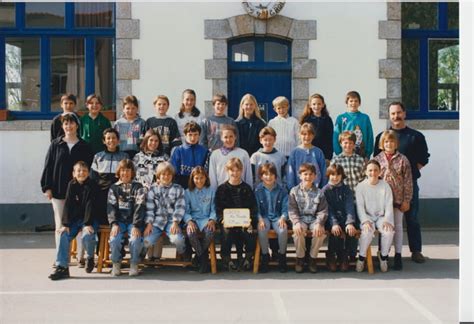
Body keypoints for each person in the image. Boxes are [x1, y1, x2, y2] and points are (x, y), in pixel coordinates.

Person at [373, 101, 430, 264]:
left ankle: (416, 250)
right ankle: (382, 251)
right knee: (385, 220)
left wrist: (409, 173)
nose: (396, 116)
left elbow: (424, 158)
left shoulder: (416, 136)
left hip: (409, 184)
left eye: (398, 113)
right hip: (385, 188)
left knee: (412, 218)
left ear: (404, 114)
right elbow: (377, 161)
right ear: (389, 116)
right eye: (392, 114)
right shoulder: (382, 136)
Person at [41, 114, 93, 255]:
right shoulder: (56, 145)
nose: (68, 126)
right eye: (66, 124)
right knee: (61, 225)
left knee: (79, 224)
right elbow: (48, 166)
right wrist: (47, 187)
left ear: (77, 126)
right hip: (58, 190)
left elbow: (88, 170)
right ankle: (62, 258)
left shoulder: (84, 146)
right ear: (62, 126)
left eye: (71, 123)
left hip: (79, 192)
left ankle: (81, 256)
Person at [48, 162, 100, 280]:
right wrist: (65, 224)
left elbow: (90, 205)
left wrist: (87, 224)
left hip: (90, 219)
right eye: (79, 171)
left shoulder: (92, 185)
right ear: (74, 173)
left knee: (87, 235)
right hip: (75, 220)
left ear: (88, 173)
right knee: (63, 234)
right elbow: (68, 204)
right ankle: (62, 267)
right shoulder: (72, 184)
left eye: (85, 171)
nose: (82, 173)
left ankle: (90, 257)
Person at [374, 130, 413, 270]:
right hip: (381, 200)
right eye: (386, 142)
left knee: (397, 226)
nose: (389, 144)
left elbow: (408, 182)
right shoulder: (377, 159)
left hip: (398, 199)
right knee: (384, 226)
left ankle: (398, 255)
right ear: (381, 144)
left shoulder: (403, 159)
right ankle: (382, 253)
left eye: (391, 141)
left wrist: (406, 200)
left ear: (396, 143)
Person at [216, 158, 258, 271]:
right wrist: (222, 219)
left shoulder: (247, 188)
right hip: (228, 222)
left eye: (238, 170)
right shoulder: (222, 189)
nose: (235, 173)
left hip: (244, 221)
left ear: (242, 171)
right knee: (226, 231)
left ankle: (248, 258)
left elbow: (253, 207)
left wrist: (250, 221)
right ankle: (226, 259)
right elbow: (218, 208)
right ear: (227, 171)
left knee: (249, 231)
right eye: (232, 170)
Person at [107, 159, 146, 277]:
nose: (125, 173)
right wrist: (114, 224)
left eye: (128, 170)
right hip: (119, 222)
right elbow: (111, 207)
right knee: (114, 239)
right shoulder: (113, 188)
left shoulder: (139, 187)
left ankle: (134, 264)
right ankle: (116, 263)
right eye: (123, 170)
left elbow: (140, 206)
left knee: (135, 239)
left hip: (133, 222)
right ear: (119, 172)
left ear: (132, 172)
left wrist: (136, 225)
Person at [355, 160, 394, 273]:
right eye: (370, 170)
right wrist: (365, 221)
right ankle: (361, 258)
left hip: (381, 217)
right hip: (367, 217)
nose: (373, 173)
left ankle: (383, 257)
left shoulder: (385, 186)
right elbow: (360, 207)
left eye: (375, 170)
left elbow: (388, 204)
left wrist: (387, 220)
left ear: (380, 171)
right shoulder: (360, 186)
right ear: (366, 172)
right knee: (367, 232)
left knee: (388, 232)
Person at [288, 163, 328, 273]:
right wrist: (296, 222)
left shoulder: (319, 192)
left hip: (314, 219)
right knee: (298, 232)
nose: (308, 177)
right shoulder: (294, 191)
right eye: (305, 174)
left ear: (315, 176)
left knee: (320, 233)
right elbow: (292, 209)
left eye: (311, 174)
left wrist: (319, 223)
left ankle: (312, 258)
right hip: (300, 219)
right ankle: (300, 258)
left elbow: (323, 210)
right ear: (300, 175)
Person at [144, 162, 186, 263]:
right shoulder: (153, 189)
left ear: (172, 175)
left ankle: (183, 252)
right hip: (156, 222)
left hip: (172, 221)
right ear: (158, 175)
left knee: (178, 240)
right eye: (163, 174)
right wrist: (149, 224)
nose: (166, 177)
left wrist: (176, 222)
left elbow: (180, 207)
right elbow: (149, 208)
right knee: (146, 242)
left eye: (169, 174)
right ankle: (141, 256)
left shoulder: (178, 189)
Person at [321, 164, 357, 272]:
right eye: (332, 174)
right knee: (336, 231)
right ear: (328, 175)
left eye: (338, 174)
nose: (335, 177)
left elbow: (349, 206)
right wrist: (334, 223)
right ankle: (331, 254)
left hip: (344, 218)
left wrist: (350, 222)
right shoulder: (325, 191)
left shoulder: (346, 189)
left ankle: (344, 255)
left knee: (350, 230)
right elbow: (328, 209)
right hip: (330, 220)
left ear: (342, 176)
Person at [90, 128, 129, 225]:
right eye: (108, 138)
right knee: (102, 219)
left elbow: (128, 176)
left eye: (114, 138)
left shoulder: (124, 157)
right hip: (102, 193)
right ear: (104, 141)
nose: (111, 141)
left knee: (118, 219)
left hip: (119, 192)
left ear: (118, 140)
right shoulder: (98, 157)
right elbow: (93, 177)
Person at [254, 163, 288, 273]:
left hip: (277, 216)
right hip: (264, 217)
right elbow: (256, 208)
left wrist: (283, 217)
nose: (269, 177)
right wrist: (259, 219)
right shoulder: (258, 190)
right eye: (265, 174)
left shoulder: (281, 189)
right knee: (262, 229)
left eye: (271, 174)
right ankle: (265, 256)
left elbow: (285, 206)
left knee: (283, 230)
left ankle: (282, 256)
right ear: (261, 176)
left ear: (275, 176)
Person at [183, 166, 217, 273]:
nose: (199, 181)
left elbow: (214, 208)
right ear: (192, 179)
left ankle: (199, 258)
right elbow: (185, 211)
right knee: (191, 233)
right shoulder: (187, 192)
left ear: (206, 178)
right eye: (196, 178)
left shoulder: (211, 191)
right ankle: (203, 259)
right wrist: (189, 221)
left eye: (202, 178)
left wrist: (212, 220)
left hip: (206, 219)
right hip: (193, 220)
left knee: (210, 232)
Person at [208, 124, 252, 189]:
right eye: (225, 137)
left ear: (235, 137)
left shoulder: (243, 154)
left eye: (231, 136)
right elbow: (212, 178)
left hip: (241, 192)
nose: (228, 139)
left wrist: (249, 191)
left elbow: (248, 176)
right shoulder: (215, 155)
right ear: (221, 138)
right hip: (222, 193)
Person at [333, 91, 374, 159]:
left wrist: (368, 154)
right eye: (351, 101)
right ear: (347, 103)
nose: (353, 103)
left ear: (359, 103)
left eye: (356, 101)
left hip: (362, 154)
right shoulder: (341, 118)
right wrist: (338, 153)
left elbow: (370, 136)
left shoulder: (365, 118)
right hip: (344, 154)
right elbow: (336, 137)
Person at [286, 123, 327, 190]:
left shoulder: (318, 152)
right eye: (304, 134)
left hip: (316, 190)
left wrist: (323, 188)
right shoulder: (295, 152)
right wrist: (292, 189)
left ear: (313, 136)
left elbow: (324, 171)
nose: (307, 137)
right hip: (298, 191)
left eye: (310, 134)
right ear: (300, 135)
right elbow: (290, 172)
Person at [170, 121, 209, 189]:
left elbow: (206, 172)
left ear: (199, 135)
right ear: (185, 135)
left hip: (199, 185)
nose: (193, 138)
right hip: (182, 186)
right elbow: (174, 173)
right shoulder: (178, 150)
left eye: (195, 134)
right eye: (190, 135)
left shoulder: (204, 151)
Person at [300, 93, 334, 162]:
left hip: (323, 153)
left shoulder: (327, 119)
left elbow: (330, 138)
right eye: (314, 104)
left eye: (319, 104)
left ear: (323, 105)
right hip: (308, 152)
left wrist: (328, 156)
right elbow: (302, 137)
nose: (316, 106)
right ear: (310, 105)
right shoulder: (306, 119)